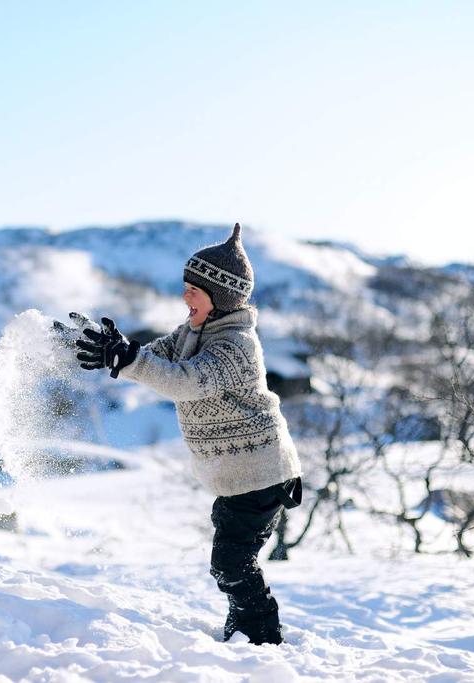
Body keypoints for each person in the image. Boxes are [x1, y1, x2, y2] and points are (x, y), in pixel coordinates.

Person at [70, 223, 302, 645]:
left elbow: (184, 381)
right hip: (239, 476)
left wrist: (130, 359)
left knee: (231, 562)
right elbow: (155, 356)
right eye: (185, 288)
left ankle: (263, 637)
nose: (185, 297)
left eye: (193, 290)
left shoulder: (236, 345)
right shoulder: (195, 332)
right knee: (231, 558)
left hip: (264, 471)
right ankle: (247, 626)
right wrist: (116, 348)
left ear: (221, 297)